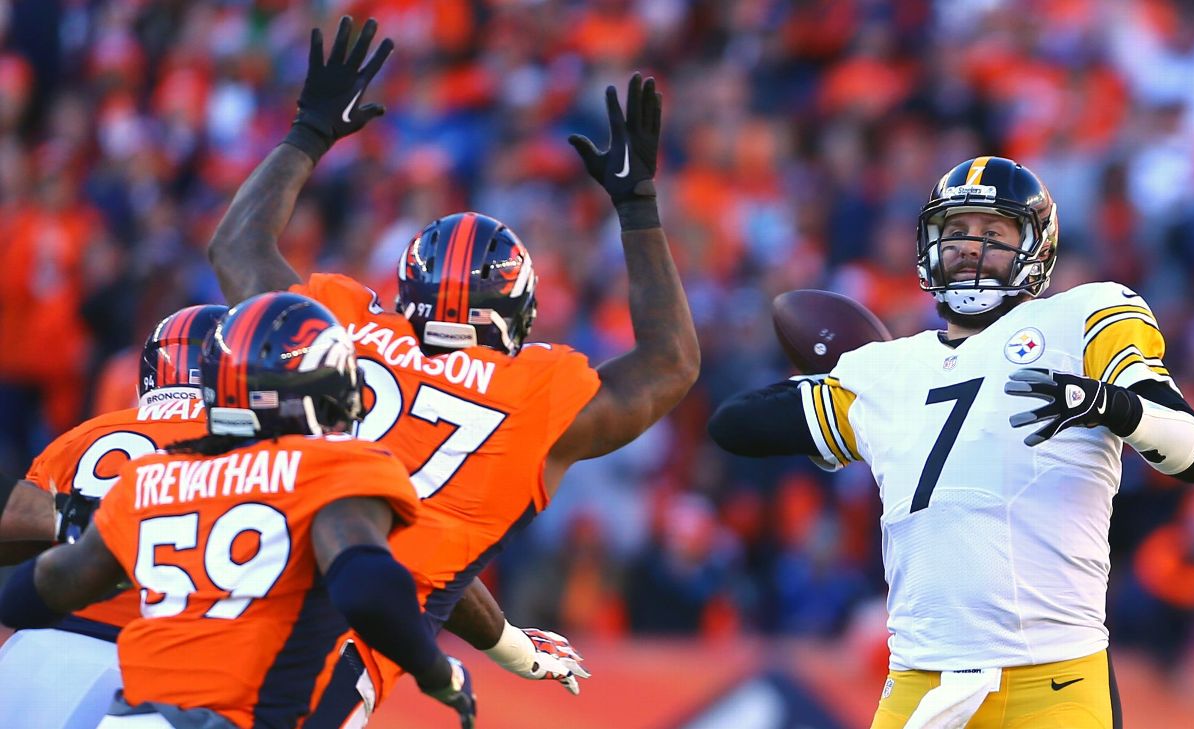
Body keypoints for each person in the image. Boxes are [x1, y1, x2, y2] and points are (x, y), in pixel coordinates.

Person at [205, 15, 699, 725]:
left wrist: (308, 132)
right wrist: (638, 208)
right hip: (321, 658)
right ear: (520, 311)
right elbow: (671, 362)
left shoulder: (346, 325)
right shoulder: (537, 392)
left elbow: (236, 248)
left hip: (216, 598)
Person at [708, 156, 1194, 729]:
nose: (970, 247)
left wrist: (1110, 404)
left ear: (1037, 248)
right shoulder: (887, 371)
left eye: (993, 232)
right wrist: (847, 367)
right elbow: (734, 425)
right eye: (955, 231)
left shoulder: (1080, 317)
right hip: (920, 682)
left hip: (1053, 681)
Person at [0, 291, 477, 729]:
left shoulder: (138, 469)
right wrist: (438, 670)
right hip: (198, 698)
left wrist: (106, 540)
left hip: (61, 669)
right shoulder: (329, 466)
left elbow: (29, 591)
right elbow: (370, 581)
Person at [0, 304, 225, 729]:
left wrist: (74, 523)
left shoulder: (89, 434)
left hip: (47, 652)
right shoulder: (265, 448)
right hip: (175, 675)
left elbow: (21, 536)